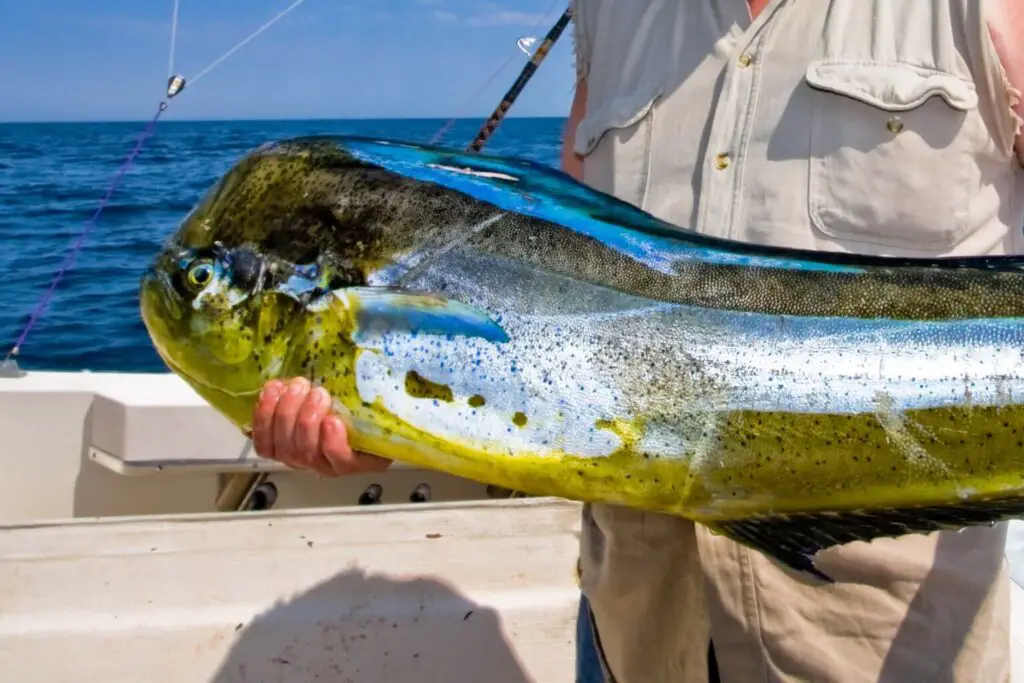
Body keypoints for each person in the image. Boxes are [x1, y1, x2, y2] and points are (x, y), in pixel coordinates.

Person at [250, 1, 1024, 680]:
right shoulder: (613, 13)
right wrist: (384, 412)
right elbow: (559, 314)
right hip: (636, 636)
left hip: (879, 646)